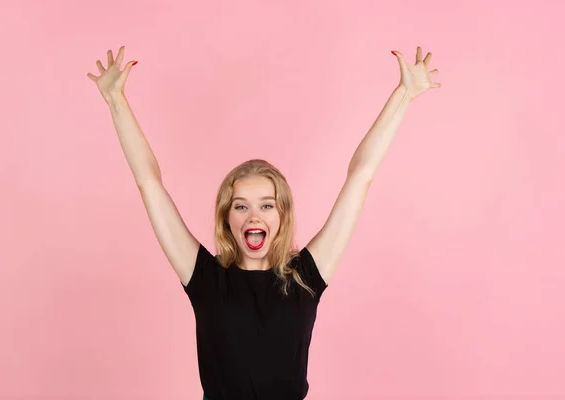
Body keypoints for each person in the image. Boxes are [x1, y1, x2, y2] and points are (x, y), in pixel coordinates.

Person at [87, 45, 440, 400]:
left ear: (282, 214)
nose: (254, 216)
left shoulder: (306, 277)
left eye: (266, 205)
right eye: (241, 207)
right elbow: (149, 183)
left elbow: (360, 177)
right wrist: (115, 99)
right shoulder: (207, 279)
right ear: (227, 219)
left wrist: (404, 95)